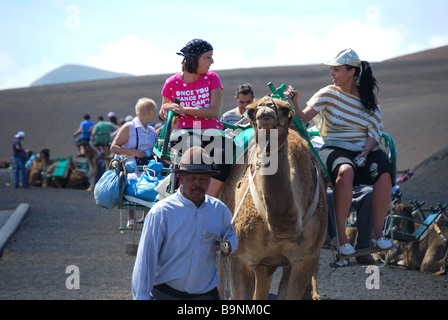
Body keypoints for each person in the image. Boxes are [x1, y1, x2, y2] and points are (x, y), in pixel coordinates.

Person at [285, 48, 393, 256]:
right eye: (331, 70)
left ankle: (377, 234)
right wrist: (295, 102)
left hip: (364, 149)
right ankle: (342, 238)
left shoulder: (367, 96)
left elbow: (374, 128)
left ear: (352, 72)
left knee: (385, 173)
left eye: (336, 70)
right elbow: (304, 117)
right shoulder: (327, 93)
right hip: (334, 148)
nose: (332, 74)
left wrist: (365, 152)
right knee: (345, 171)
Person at [132, 146, 238, 300]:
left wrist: (228, 245)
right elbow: (146, 259)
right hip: (166, 294)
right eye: (192, 178)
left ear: (209, 180)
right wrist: (141, 296)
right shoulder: (162, 212)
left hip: (206, 296)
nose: (197, 184)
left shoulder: (218, 210)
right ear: (181, 179)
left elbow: (232, 235)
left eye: (203, 178)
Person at [159, 39, 232, 198]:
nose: (212, 61)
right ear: (194, 58)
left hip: (213, 132)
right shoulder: (171, 83)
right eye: (208, 57)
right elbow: (163, 112)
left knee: (226, 153)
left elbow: (214, 111)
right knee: (195, 154)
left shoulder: (212, 78)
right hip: (184, 133)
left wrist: (183, 109)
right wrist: (167, 112)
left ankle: (208, 201)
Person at [110, 98, 158, 228]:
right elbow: (114, 148)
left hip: (148, 167)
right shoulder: (128, 128)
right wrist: (134, 152)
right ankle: (131, 218)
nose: (155, 114)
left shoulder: (152, 131)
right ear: (149, 111)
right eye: (154, 111)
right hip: (131, 167)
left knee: (152, 186)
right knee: (131, 185)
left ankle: (146, 218)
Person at [327, 186, 377, 265]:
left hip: (347, 187)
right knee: (328, 195)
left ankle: (365, 249)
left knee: (369, 192)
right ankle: (341, 248)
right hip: (326, 186)